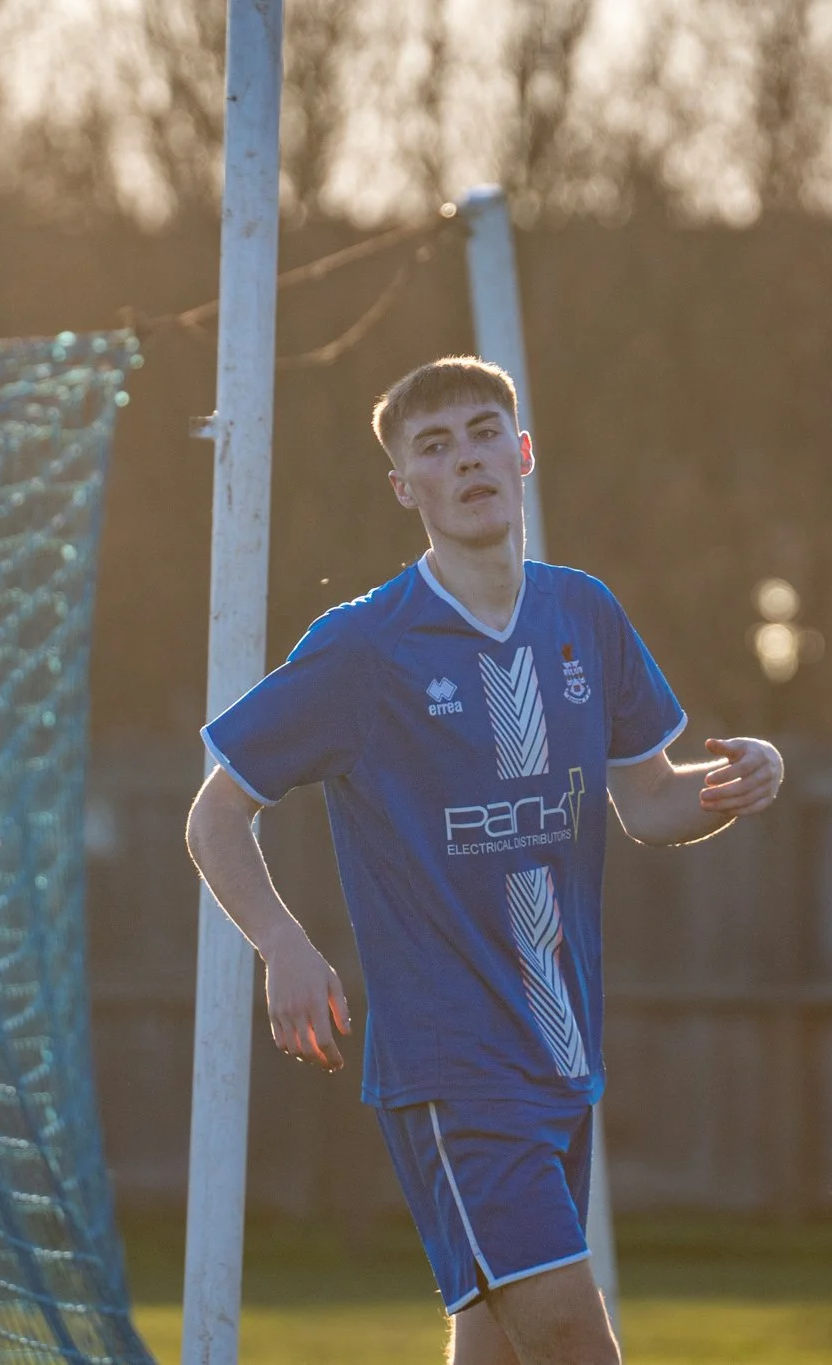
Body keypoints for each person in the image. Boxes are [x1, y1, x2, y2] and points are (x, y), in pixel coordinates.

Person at [184, 356, 784, 1365]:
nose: (464, 459)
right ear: (403, 487)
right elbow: (214, 816)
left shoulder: (582, 614)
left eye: (481, 432)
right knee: (570, 1342)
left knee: (498, 1349)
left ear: (523, 452)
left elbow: (648, 801)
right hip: (454, 1064)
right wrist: (280, 942)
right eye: (433, 447)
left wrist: (740, 780)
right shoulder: (363, 648)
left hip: (562, 1050)